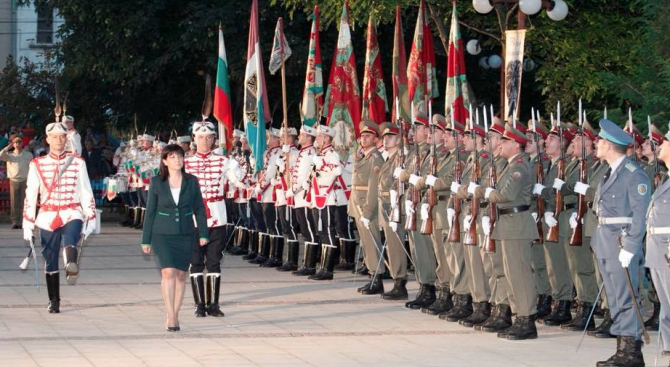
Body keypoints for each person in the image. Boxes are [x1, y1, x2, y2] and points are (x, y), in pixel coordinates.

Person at [591, 119, 650, 366]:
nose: (596, 144)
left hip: (620, 243)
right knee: (614, 297)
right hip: (605, 240)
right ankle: (622, 349)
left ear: (609, 145)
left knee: (626, 296)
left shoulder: (633, 174)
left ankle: (632, 352)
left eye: (600, 141)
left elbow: (640, 214)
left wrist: (631, 246)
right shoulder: (610, 172)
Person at [22, 121, 97, 313]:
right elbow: (31, 194)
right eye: (54, 137)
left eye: (62, 137)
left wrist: (91, 216)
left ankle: (70, 261)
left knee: (72, 235)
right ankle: (54, 300)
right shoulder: (37, 164)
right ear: (47, 139)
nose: (58, 140)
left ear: (66, 139)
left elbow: (86, 191)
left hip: (71, 211)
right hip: (47, 214)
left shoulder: (77, 162)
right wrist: (27, 224)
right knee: (49, 258)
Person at [140, 144, 209, 331]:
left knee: (180, 275)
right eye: (172, 157)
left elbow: (199, 208)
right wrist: (145, 240)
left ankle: (175, 313)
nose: (177, 160)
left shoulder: (192, 181)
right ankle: (170, 316)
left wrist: (203, 233)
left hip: (186, 233)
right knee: (168, 272)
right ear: (164, 161)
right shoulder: (156, 182)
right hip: (162, 234)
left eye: (179, 156)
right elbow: (150, 212)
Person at [184, 121, 244, 317]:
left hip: (217, 216)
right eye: (201, 137)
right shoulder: (185, 162)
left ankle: (214, 304)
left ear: (214, 140)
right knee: (195, 262)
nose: (205, 141)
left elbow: (239, 181)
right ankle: (199, 305)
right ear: (194, 138)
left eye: (209, 137)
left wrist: (239, 166)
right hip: (192, 218)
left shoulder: (224, 161)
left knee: (214, 261)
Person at [645, 128, 670, 366]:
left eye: (666, 141)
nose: (661, 144)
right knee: (666, 302)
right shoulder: (667, 177)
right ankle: (668, 345)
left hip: (667, 248)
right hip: (658, 248)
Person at [0, 136, 33, 229]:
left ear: (22, 143)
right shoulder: (9, 154)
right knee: (14, 202)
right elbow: (0, 155)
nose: (18, 144)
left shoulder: (28, 154)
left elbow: (33, 166)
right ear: (13, 144)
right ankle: (15, 221)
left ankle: (23, 221)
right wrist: (8, 147)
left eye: (19, 142)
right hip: (13, 180)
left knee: (24, 202)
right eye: (16, 142)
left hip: (25, 180)